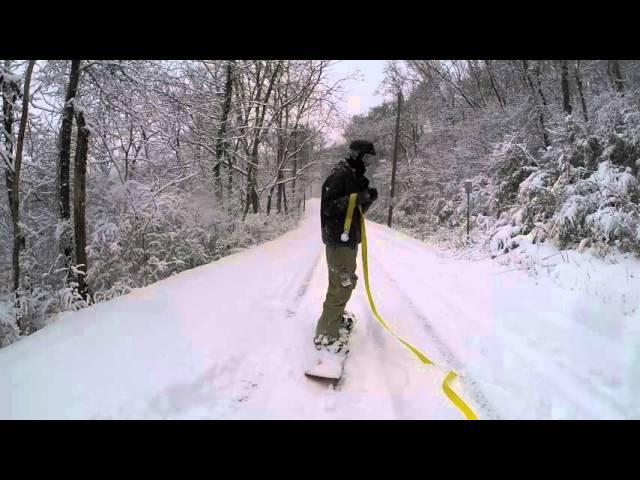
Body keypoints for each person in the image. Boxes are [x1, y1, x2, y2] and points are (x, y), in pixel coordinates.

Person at [314, 140, 378, 353]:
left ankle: (333, 319)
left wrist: (366, 199)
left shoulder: (353, 177)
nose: (368, 162)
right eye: (366, 157)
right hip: (338, 242)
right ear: (357, 155)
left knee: (346, 282)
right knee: (342, 284)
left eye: (371, 159)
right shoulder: (340, 175)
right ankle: (326, 332)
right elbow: (329, 208)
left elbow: (355, 211)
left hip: (348, 241)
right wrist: (358, 197)